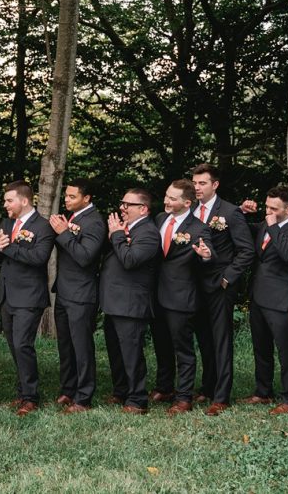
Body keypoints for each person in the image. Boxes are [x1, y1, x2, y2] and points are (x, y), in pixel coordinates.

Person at [190, 163, 255, 416]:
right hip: (195, 284)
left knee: (221, 340)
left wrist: (228, 278)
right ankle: (207, 387)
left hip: (220, 285)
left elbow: (246, 251)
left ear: (215, 185)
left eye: (202, 183)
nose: (197, 187)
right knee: (204, 338)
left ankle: (221, 396)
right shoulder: (191, 211)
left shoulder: (229, 212)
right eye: (194, 183)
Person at [240, 186, 288, 415]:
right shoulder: (264, 224)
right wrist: (241, 212)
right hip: (258, 297)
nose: (268, 211)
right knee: (261, 348)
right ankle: (263, 392)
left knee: (286, 351)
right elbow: (241, 231)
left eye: (274, 208)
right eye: (267, 206)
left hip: (281, 300)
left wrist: (272, 226)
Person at [0, 180, 55, 416]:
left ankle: (31, 397)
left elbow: (39, 258)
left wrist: (6, 248)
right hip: (7, 294)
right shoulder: (6, 223)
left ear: (24, 200)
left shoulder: (43, 226)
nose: (5, 205)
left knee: (23, 344)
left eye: (9, 200)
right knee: (13, 345)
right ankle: (22, 392)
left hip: (29, 296)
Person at [153, 179, 214, 416]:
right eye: (167, 196)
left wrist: (206, 255)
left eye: (172, 198)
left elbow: (208, 251)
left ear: (187, 203)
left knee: (183, 350)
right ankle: (164, 387)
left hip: (181, 297)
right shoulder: (160, 219)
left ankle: (184, 397)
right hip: (156, 294)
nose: (167, 201)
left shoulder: (199, 227)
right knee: (161, 345)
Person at [99, 188, 161, 415]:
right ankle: (121, 391)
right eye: (122, 203)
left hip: (131, 303)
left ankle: (137, 399)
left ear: (143, 209)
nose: (122, 208)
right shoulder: (125, 229)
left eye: (128, 205)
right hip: (114, 301)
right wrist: (115, 235)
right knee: (116, 351)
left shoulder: (149, 233)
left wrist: (116, 235)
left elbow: (130, 260)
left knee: (132, 353)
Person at [48, 178, 106, 413]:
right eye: (66, 196)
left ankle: (83, 397)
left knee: (82, 347)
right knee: (66, 345)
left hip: (82, 294)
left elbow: (85, 257)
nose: (67, 199)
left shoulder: (94, 222)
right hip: (63, 291)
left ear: (87, 198)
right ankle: (68, 389)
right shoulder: (72, 217)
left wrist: (63, 233)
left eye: (72, 196)